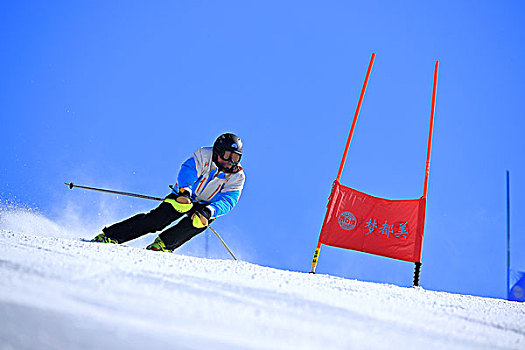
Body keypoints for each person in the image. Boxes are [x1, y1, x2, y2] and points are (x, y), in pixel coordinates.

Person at [91, 133, 245, 252]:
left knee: (198, 222)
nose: (229, 161)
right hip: (185, 197)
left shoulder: (237, 177)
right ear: (217, 152)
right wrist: (185, 192)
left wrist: (209, 211)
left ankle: (163, 244)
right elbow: (189, 171)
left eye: (235, 158)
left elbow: (229, 200)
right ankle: (111, 236)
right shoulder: (204, 155)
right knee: (156, 220)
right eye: (227, 156)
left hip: (205, 206)